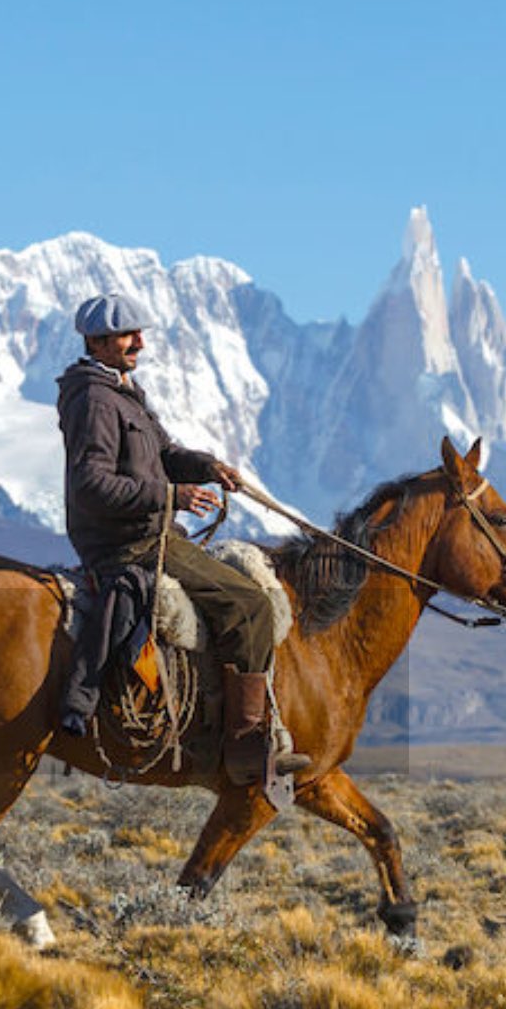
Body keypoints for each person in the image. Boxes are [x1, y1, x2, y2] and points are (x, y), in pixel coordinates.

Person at [56, 292, 309, 784]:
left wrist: (209, 468)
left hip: (150, 534)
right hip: (131, 544)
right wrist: (173, 497)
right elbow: (91, 483)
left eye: (139, 333)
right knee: (250, 604)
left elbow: (166, 452)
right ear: (98, 342)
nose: (140, 343)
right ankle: (243, 745)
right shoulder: (95, 399)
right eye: (129, 335)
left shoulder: (123, 391)